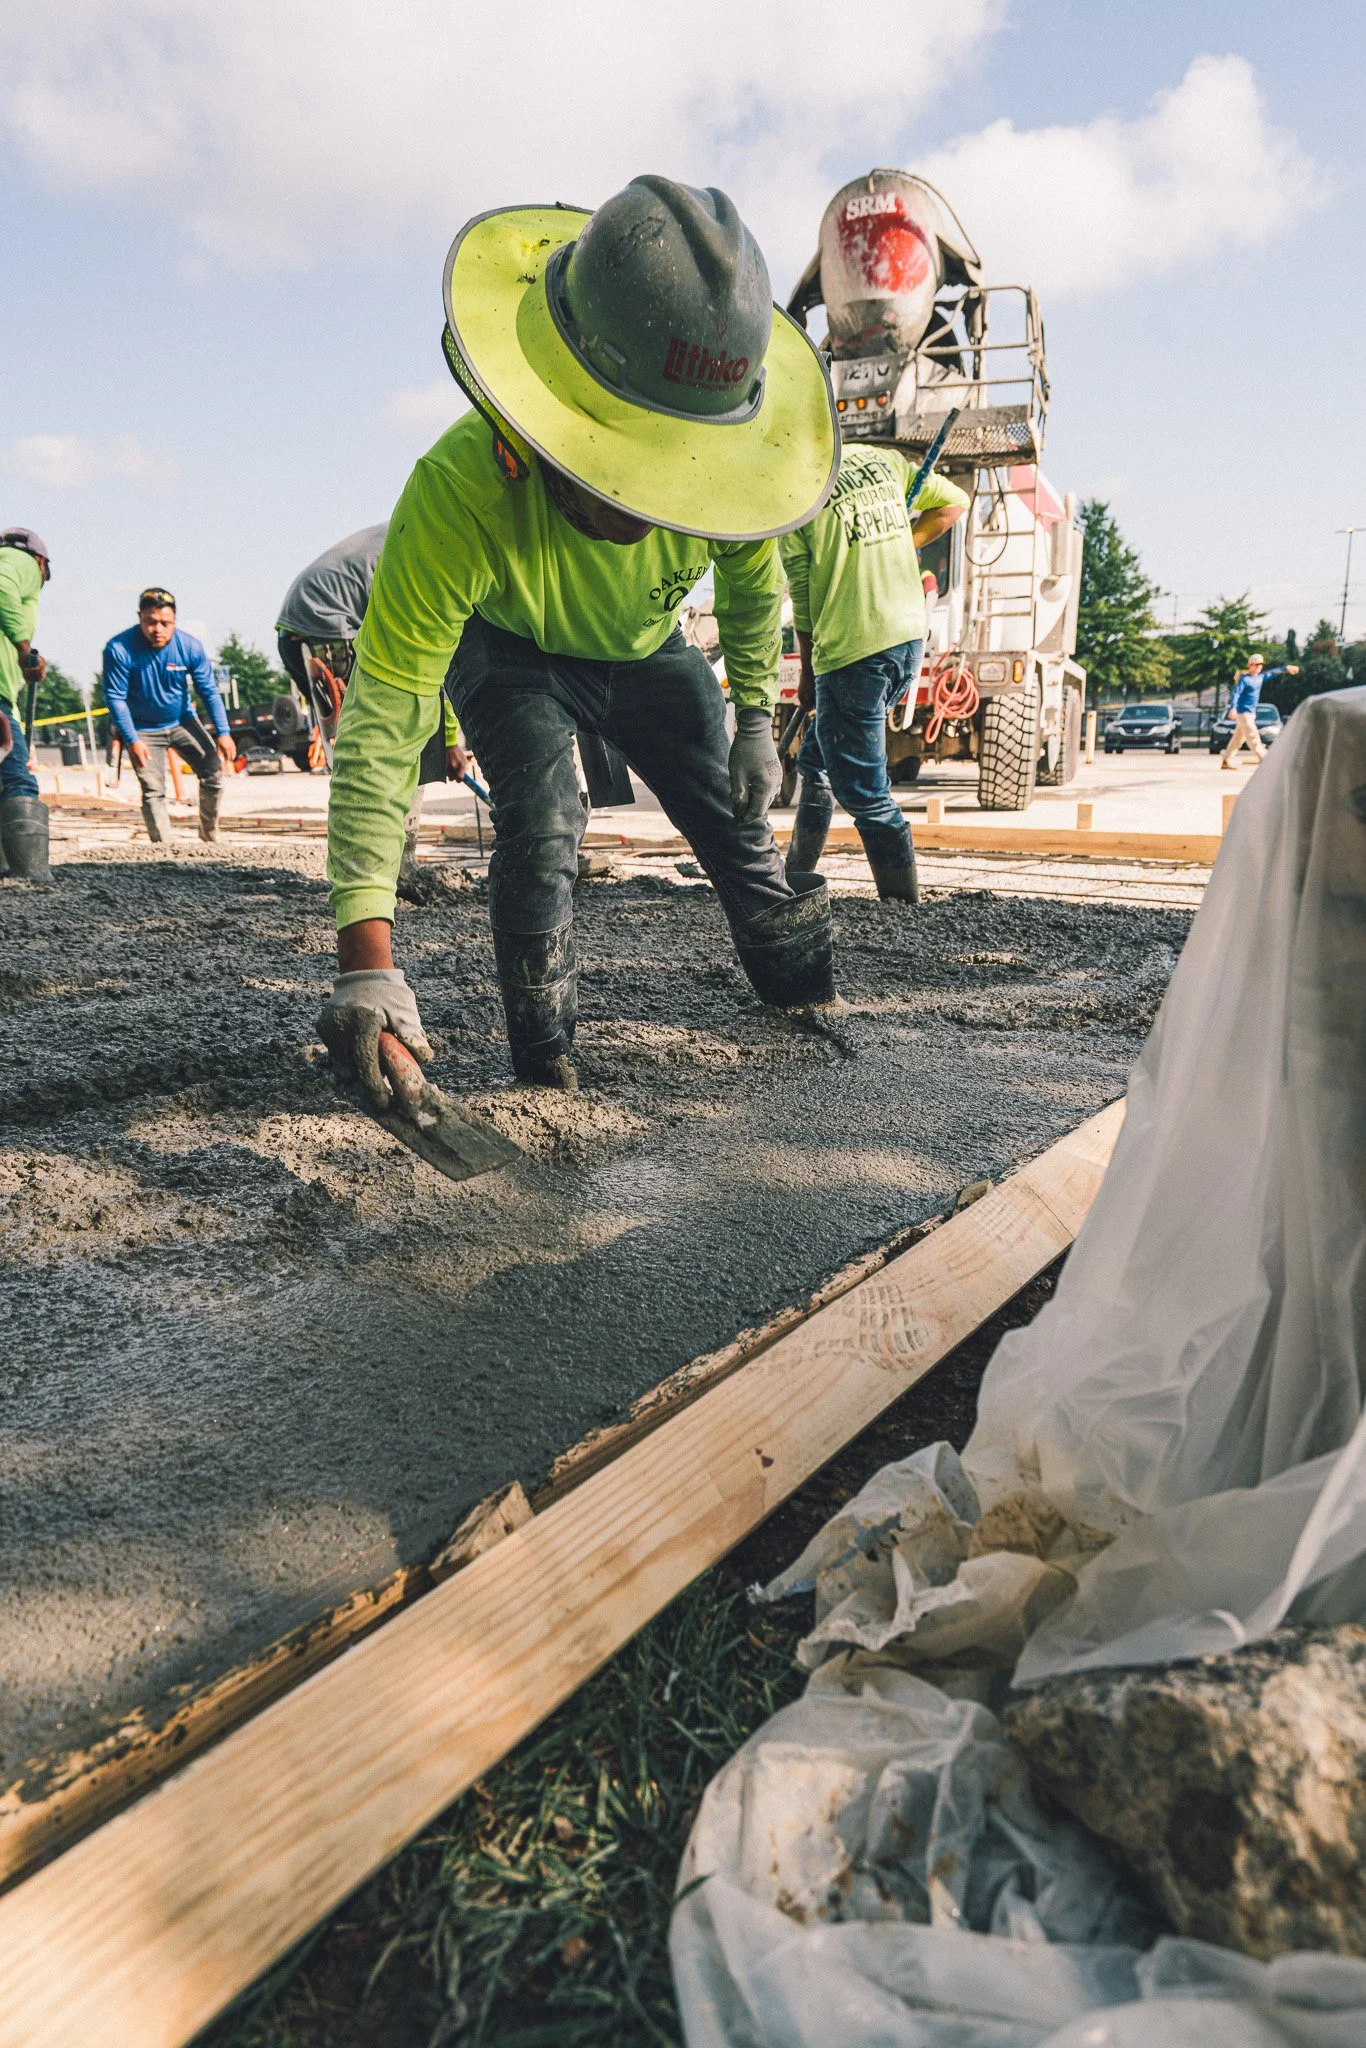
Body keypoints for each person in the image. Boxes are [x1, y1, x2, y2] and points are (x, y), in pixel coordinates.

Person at [319, 174, 840, 1100]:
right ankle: (546, 1066)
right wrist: (367, 955)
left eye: (660, 477)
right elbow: (388, 712)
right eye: (612, 475)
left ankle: (806, 1000)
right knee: (547, 819)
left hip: (646, 648)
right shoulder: (459, 492)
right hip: (512, 648)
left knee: (736, 822)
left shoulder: (724, 481)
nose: (640, 513)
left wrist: (756, 714)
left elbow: (757, 582)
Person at [780, 442, 968, 900]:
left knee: (864, 790)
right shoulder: (881, 460)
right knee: (818, 762)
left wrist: (807, 675)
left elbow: (803, 602)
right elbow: (952, 504)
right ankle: (793, 875)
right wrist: (907, 540)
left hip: (854, 647)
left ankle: (901, 905)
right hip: (905, 639)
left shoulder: (795, 493)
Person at [276, 524, 467, 898]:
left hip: (300, 628)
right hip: (328, 626)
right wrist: (449, 742)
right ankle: (390, 868)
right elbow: (435, 663)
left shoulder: (416, 525)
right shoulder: (438, 549)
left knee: (358, 751)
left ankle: (370, 868)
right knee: (386, 743)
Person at [102, 589, 236, 843]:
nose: (158, 629)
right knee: (153, 790)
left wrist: (224, 732)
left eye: (165, 623)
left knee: (213, 773)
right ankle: (163, 850)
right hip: (141, 729)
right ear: (140, 617)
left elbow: (209, 692)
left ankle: (210, 838)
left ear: (174, 620)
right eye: (150, 622)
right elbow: (115, 699)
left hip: (182, 721)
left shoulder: (189, 647)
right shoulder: (119, 649)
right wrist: (132, 739)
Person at [0, 527, 55, 882]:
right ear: (41, 561)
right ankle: (28, 875)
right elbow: (1, 585)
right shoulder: (18, 560)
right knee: (16, 778)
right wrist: (24, 649)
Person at [1222, 652, 1298, 770]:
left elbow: (1272, 672)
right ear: (1250, 665)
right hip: (1243, 713)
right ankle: (1264, 758)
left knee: (1238, 738)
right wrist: (1233, 708)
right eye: (1256, 664)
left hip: (1251, 713)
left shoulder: (1259, 677)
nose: (1258, 667)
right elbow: (1236, 693)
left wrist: (1286, 668)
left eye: (1260, 665)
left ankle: (1226, 760)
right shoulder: (1245, 680)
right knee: (1253, 735)